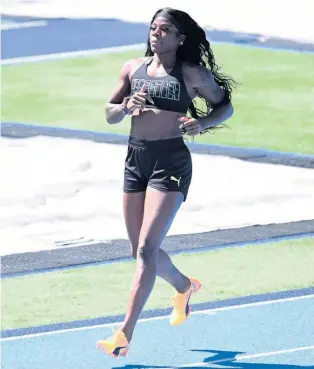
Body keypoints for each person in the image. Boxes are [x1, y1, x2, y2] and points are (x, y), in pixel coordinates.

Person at [96, 7, 236, 358]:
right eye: (153, 27)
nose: (156, 33)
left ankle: (123, 334)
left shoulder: (192, 74)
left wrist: (201, 125)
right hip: (136, 159)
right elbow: (109, 114)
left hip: (170, 161)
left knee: (146, 250)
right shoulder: (133, 68)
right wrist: (126, 105)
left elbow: (225, 106)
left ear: (180, 38)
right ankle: (185, 286)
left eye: (164, 29)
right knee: (139, 250)